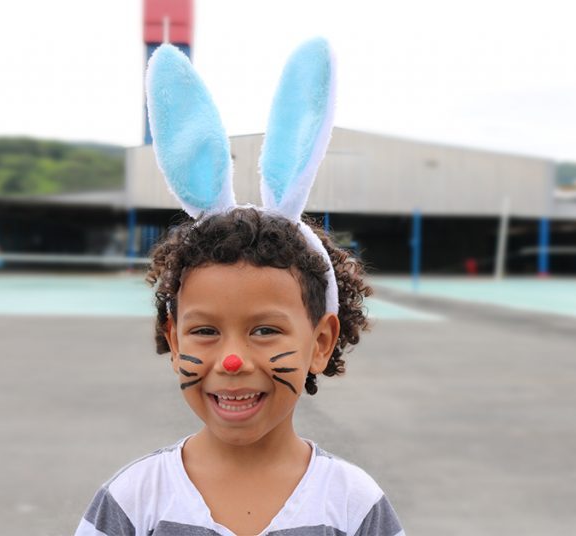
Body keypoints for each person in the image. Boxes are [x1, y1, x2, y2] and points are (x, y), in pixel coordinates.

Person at [74, 39, 403, 536]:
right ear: (174, 340)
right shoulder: (131, 502)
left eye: (265, 330)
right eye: (205, 331)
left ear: (320, 343)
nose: (232, 361)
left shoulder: (355, 507)